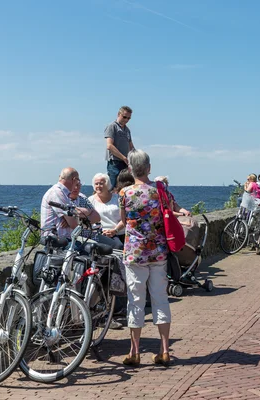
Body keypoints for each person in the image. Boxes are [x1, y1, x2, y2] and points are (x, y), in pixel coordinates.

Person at [119, 150, 172, 367]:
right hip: (158, 252)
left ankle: (134, 352)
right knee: (160, 299)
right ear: (149, 167)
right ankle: (165, 350)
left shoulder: (124, 193)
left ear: (131, 169)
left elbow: (124, 221)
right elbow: (168, 212)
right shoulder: (160, 191)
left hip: (135, 253)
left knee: (136, 302)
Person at [41, 168, 100, 239]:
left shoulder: (65, 193)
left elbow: (96, 217)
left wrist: (73, 218)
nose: (76, 186)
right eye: (77, 181)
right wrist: (90, 211)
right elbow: (74, 224)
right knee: (100, 248)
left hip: (66, 239)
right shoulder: (57, 193)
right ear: (74, 180)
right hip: (57, 240)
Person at [89, 173, 125, 246]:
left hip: (120, 233)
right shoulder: (90, 200)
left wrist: (115, 230)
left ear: (107, 185)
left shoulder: (118, 198)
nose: (98, 186)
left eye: (101, 183)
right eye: (96, 184)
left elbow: (125, 217)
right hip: (102, 235)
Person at [105, 106, 135, 189]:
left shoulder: (127, 130)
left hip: (125, 164)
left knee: (125, 187)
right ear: (119, 114)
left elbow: (131, 146)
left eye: (129, 118)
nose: (126, 120)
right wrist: (123, 157)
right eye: (124, 117)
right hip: (115, 163)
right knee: (113, 187)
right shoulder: (112, 126)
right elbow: (109, 146)